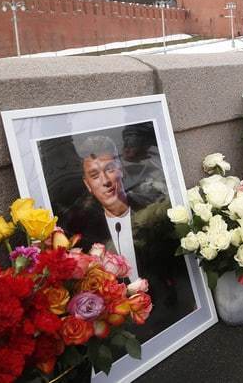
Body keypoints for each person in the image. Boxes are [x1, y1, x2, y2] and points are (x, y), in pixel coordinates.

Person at [61, 135, 196, 341]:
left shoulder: (152, 210)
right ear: (87, 184)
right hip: (118, 335)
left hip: (170, 318)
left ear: (120, 169)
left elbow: (179, 269)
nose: (105, 181)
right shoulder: (81, 230)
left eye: (109, 169)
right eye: (95, 175)